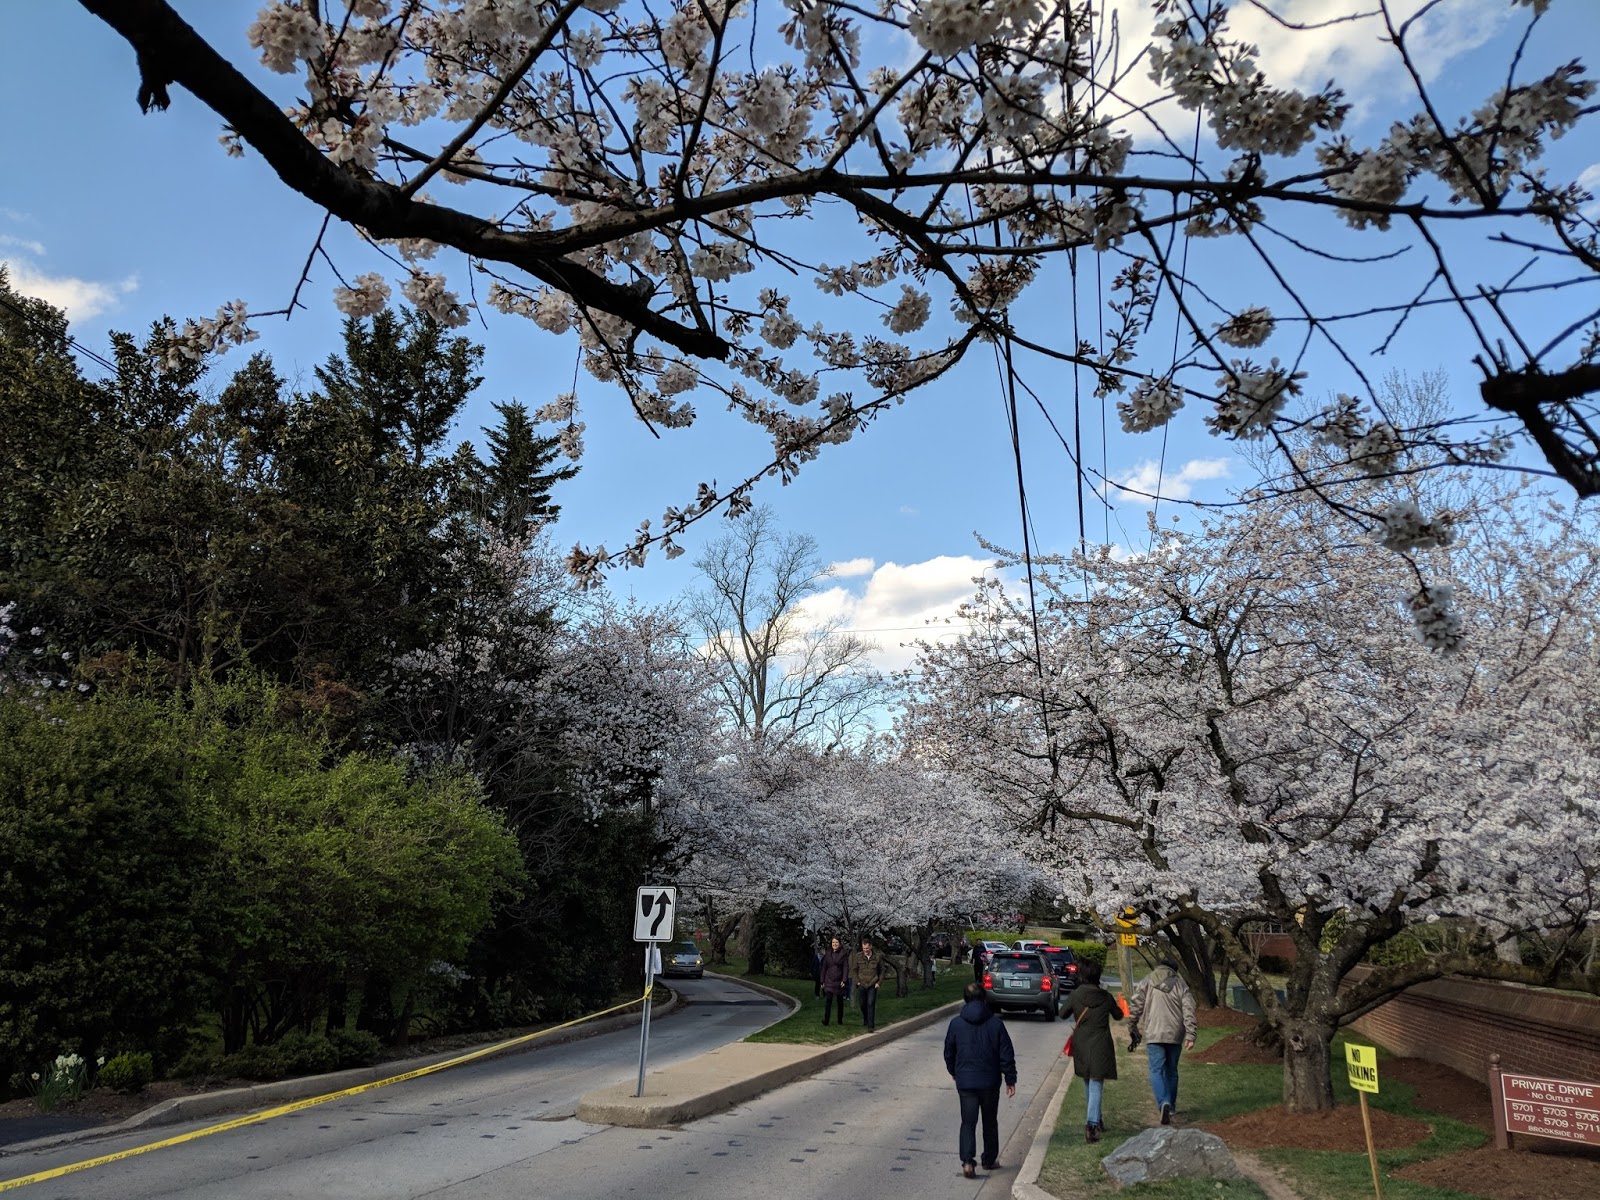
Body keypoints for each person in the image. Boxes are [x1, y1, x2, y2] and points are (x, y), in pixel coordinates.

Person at [944, 982, 1017, 1179]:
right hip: (990, 1081)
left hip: (965, 1080)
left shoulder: (956, 1024)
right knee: (989, 1121)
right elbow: (1006, 1054)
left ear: (965, 999)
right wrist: (1010, 1078)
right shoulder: (995, 1023)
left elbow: (949, 1052)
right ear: (984, 999)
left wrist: (954, 1071)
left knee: (968, 1122)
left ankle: (968, 1161)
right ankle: (989, 1159)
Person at [1127, 958, 1197, 1125]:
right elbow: (1189, 1008)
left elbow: (1136, 1004)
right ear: (1174, 970)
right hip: (1175, 1034)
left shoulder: (1147, 981)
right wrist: (1190, 1034)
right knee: (1172, 1070)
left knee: (1156, 1070)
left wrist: (1132, 1024)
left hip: (1154, 1033)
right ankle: (1171, 1106)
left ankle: (1163, 1102)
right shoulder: (1181, 985)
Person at [1064, 959, 1123, 1143]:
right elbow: (1119, 1015)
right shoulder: (1105, 997)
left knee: (1088, 1080)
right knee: (1096, 1081)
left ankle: (1095, 1118)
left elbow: (1062, 1013)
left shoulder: (1076, 995)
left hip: (1082, 1043)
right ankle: (1092, 1122)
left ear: (1082, 975)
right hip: (1101, 1043)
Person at [850, 936, 885, 1032]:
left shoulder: (877, 957)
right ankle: (866, 1018)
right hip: (861, 983)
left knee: (871, 1003)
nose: (865, 950)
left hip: (873, 984)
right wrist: (857, 981)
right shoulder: (858, 956)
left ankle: (871, 1026)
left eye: (867, 948)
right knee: (862, 1004)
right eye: (864, 948)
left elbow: (882, 971)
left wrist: (879, 982)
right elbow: (854, 970)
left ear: (871, 947)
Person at [819, 935, 851, 1026]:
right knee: (828, 1001)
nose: (834, 944)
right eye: (833, 942)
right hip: (829, 979)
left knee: (839, 1002)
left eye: (836, 942)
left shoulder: (844, 954)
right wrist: (822, 980)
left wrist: (844, 980)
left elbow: (845, 967)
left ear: (840, 944)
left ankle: (840, 1020)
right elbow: (824, 967)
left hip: (839, 980)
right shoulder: (828, 954)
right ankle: (826, 1020)